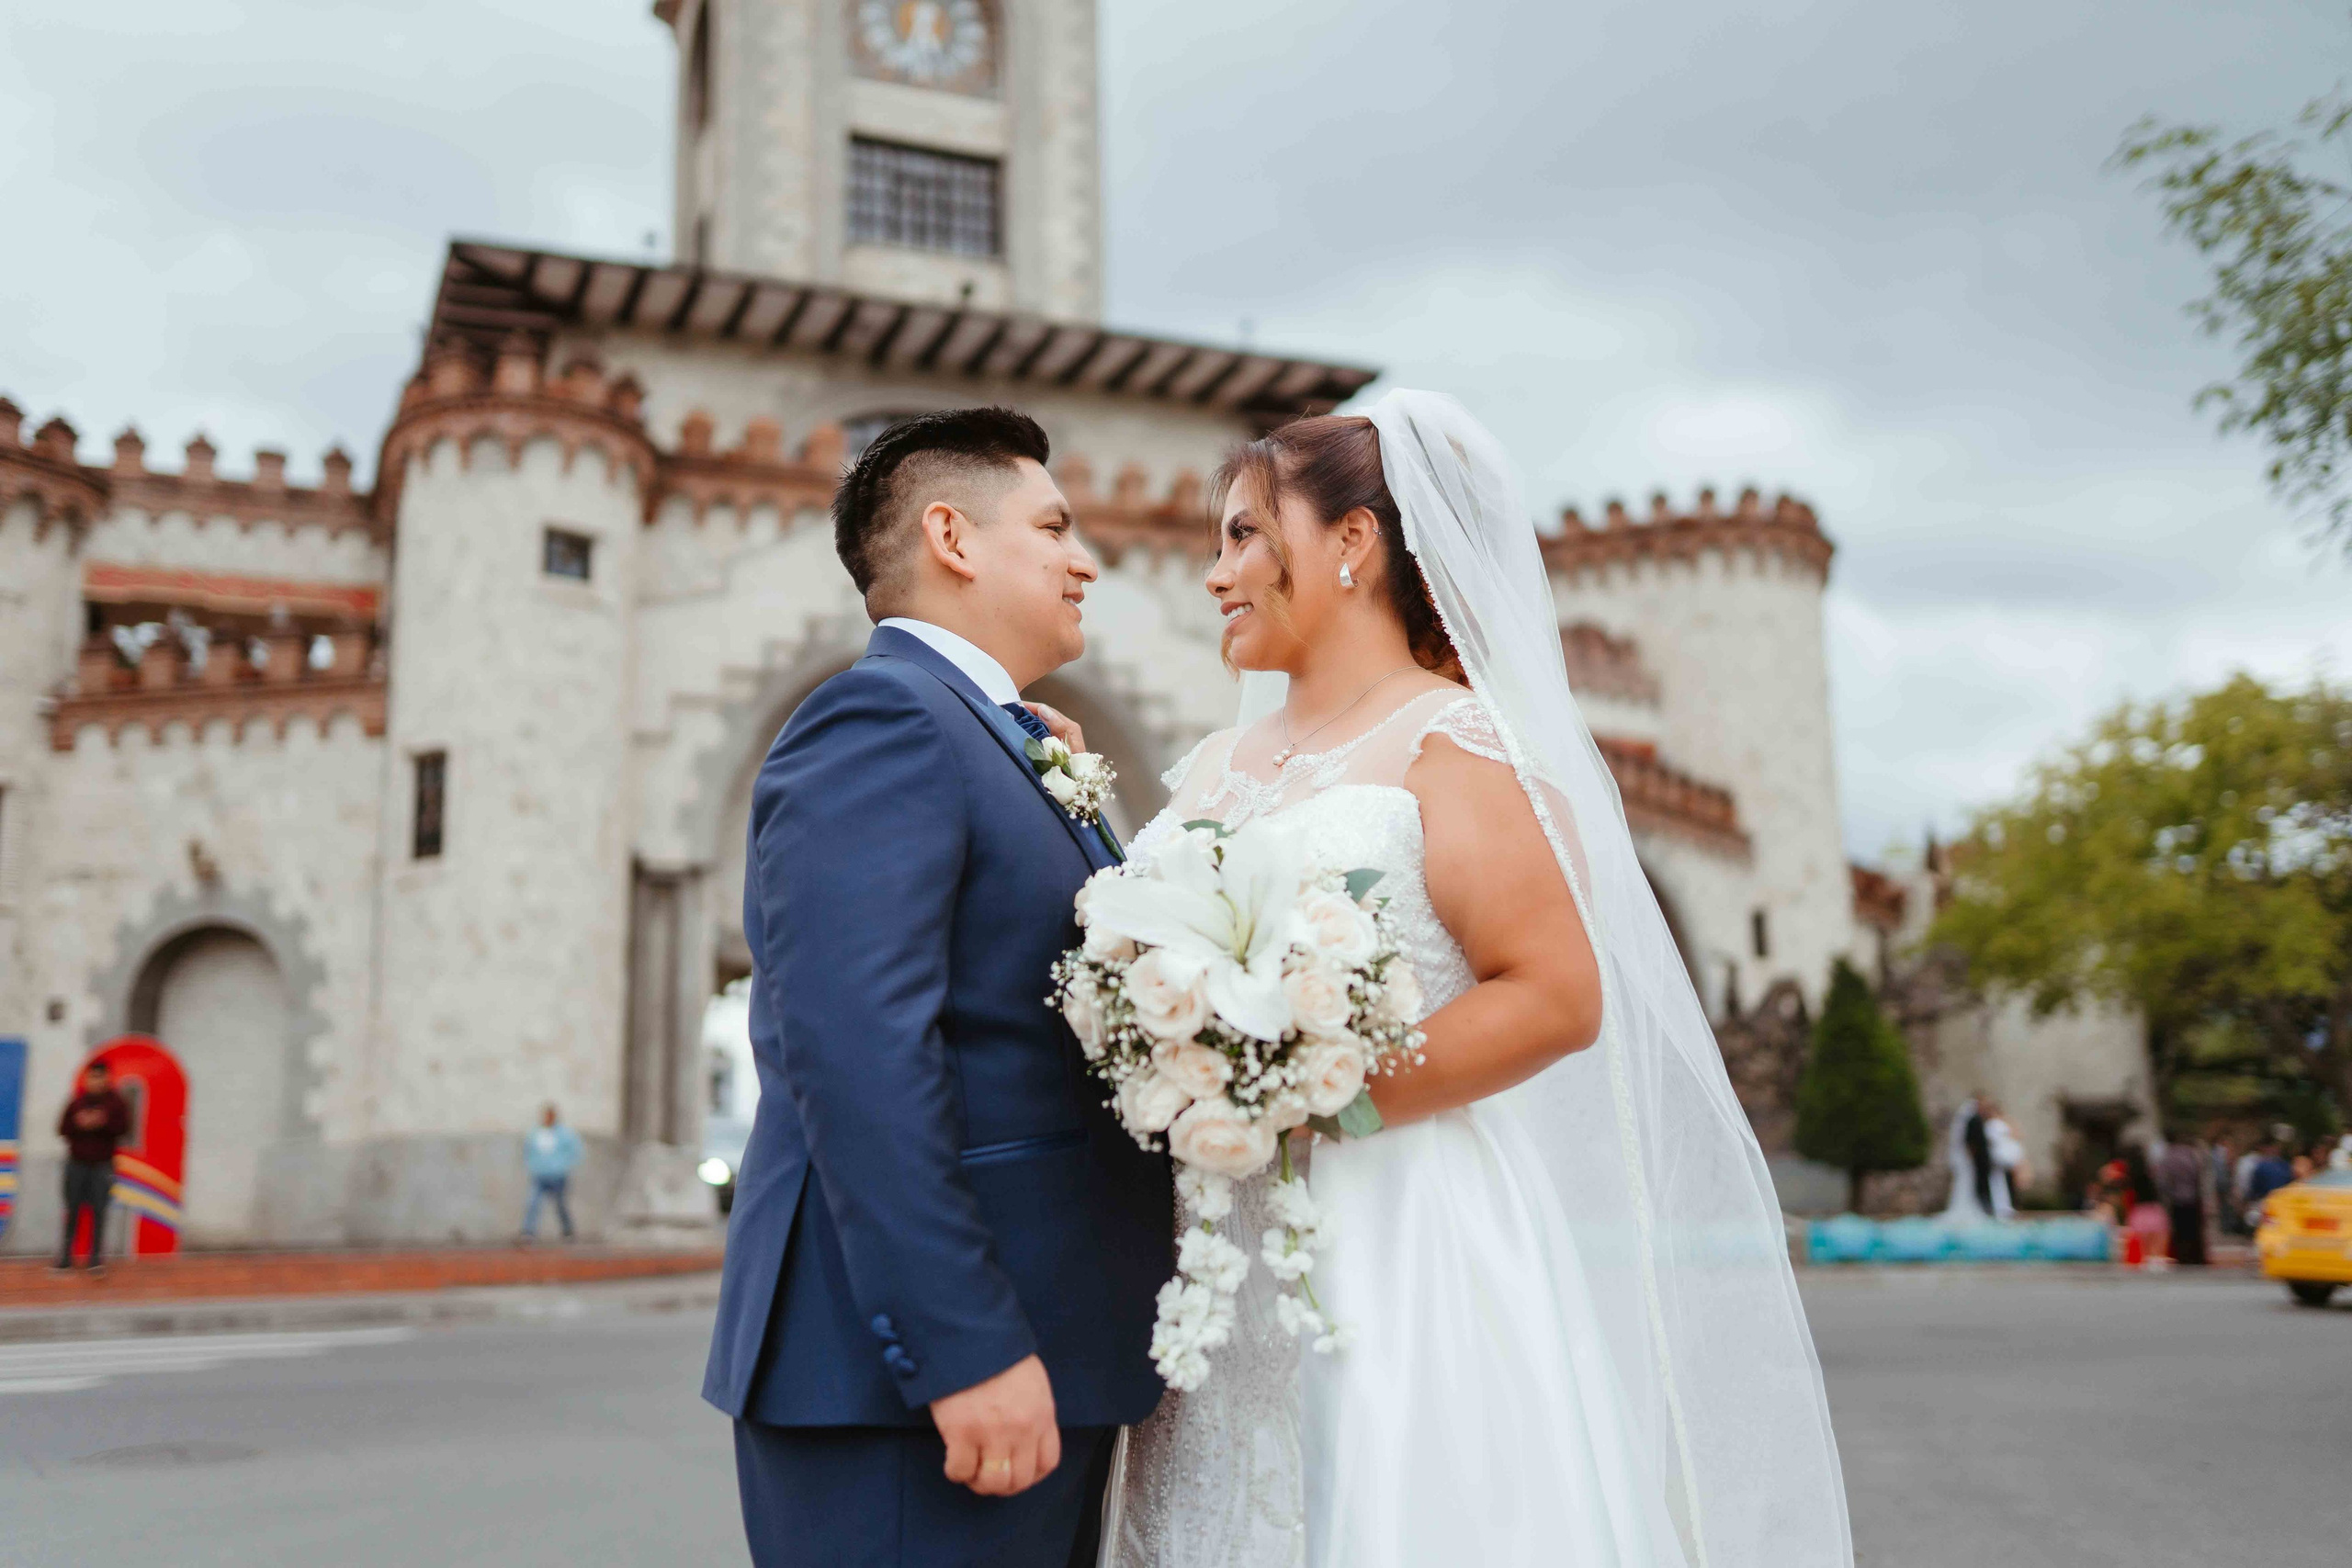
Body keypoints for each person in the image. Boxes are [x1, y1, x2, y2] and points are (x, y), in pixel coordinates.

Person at [1109, 394, 1850, 1566]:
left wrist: (1320, 1090)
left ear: (1351, 545)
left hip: (1398, 1233)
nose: (1217, 573)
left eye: (1246, 535)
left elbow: (1554, 995)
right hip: (1216, 1249)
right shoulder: (1213, 763)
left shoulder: (1454, 744)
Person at [701, 409, 1171, 1568]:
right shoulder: (883, 720)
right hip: (922, 1376)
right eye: (1055, 527)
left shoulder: (996, 735)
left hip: (1045, 1345)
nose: (1085, 560)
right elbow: (855, 1054)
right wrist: (961, 1346)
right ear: (952, 537)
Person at [53, 1060, 131, 1271]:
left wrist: (102, 1121)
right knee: (73, 1209)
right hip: (76, 1164)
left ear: (107, 1078)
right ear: (86, 1079)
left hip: (102, 1165)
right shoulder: (77, 1102)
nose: (95, 1082)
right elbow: (62, 1128)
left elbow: (124, 1128)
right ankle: (66, 1257)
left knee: (99, 1210)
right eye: (92, 1077)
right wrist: (80, 1122)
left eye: (100, 1077)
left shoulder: (116, 1103)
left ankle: (95, 1258)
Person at [520, 1103, 582, 1242]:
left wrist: (563, 1166)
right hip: (540, 1175)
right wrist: (532, 1166)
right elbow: (528, 1151)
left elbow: (574, 1151)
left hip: (558, 1175)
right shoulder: (535, 1133)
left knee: (561, 1205)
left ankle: (568, 1231)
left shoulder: (564, 1133)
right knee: (533, 1203)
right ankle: (528, 1231)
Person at [2154, 1135, 2208, 1266]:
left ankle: (2183, 1256)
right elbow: (2199, 1177)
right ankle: (2197, 1257)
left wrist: (2168, 1195)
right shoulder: (2192, 1155)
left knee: (2180, 1231)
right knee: (2195, 1230)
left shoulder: (2168, 1157)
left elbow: (2162, 1181)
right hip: (2193, 1199)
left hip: (2177, 1200)